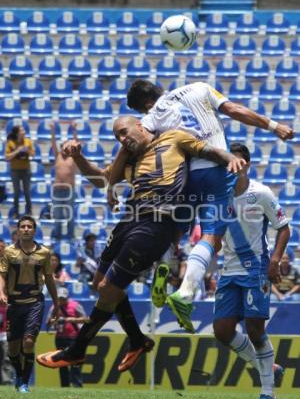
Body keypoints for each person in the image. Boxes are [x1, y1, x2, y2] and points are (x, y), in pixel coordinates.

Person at [36, 115, 246, 372]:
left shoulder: (174, 139)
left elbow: (208, 150)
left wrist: (230, 158)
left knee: (109, 288)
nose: (122, 139)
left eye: (124, 132)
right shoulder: (129, 162)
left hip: (156, 223)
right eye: (117, 137)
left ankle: (77, 349)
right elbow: (101, 178)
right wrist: (78, 157)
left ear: (139, 124)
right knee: (99, 284)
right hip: (129, 219)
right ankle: (136, 340)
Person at [119, 79, 294, 332]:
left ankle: (164, 265)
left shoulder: (152, 117)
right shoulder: (199, 88)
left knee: (174, 231)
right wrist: (274, 126)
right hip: (215, 170)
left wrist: (112, 182)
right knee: (212, 237)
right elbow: (234, 110)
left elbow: (130, 149)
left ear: (148, 104)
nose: (145, 114)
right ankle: (186, 292)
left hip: (182, 178)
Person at [212, 143, 290, 399]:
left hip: (256, 268)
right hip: (229, 270)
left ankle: (268, 393)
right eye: (230, 162)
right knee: (222, 331)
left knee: (255, 330)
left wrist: (276, 260)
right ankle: (271, 369)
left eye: (240, 162)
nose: (235, 166)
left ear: (247, 165)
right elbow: (216, 233)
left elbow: (284, 228)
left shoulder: (262, 193)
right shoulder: (220, 196)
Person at [0, 215, 59, 393]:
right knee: (13, 347)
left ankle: (24, 382)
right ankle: (19, 375)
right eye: (23, 226)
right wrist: (1, 292)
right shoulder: (9, 252)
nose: (26, 229)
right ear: (18, 230)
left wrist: (56, 303)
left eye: (29, 227)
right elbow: (2, 275)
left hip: (34, 301)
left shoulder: (44, 253)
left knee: (28, 342)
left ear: (34, 230)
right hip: (14, 303)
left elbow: (49, 278)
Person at [46, 287, 88, 388]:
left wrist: (70, 319)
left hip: (73, 338)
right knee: (61, 364)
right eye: (59, 298)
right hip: (60, 338)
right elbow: (48, 322)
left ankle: (77, 385)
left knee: (75, 363)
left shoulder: (75, 306)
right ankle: (64, 386)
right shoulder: (54, 307)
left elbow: (85, 319)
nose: (61, 300)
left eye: (63, 298)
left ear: (67, 297)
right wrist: (55, 320)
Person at [51, 121, 77, 241]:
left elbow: (76, 144)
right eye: (62, 146)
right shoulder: (58, 156)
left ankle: (71, 236)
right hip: (57, 190)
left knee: (70, 215)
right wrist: (52, 130)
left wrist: (74, 130)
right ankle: (57, 236)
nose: (64, 148)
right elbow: (53, 143)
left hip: (69, 190)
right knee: (58, 215)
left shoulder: (73, 158)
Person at [5, 125, 35, 218]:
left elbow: (33, 154)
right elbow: (7, 157)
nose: (24, 131)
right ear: (17, 133)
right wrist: (17, 151)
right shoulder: (11, 143)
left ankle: (29, 211)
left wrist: (28, 150)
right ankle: (16, 212)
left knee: (27, 192)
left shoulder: (28, 141)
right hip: (15, 170)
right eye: (22, 130)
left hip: (26, 170)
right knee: (17, 192)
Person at [0, 240, 14, 385]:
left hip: (6, 317)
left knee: (6, 354)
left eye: (2, 248)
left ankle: (7, 380)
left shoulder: (9, 269)